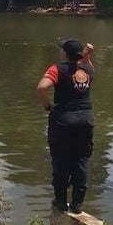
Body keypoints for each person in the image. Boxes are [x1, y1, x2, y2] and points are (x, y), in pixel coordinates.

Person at [36, 39, 96, 213]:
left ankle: (61, 202)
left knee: (61, 159)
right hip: (86, 119)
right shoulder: (88, 70)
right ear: (79, 55)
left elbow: (41, 88)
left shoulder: (57, 69)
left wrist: (48, 106)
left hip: (63, 120)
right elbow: (85, 65)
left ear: (64, 53)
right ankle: (77, 204)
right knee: (81, 160)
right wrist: (87, 55)